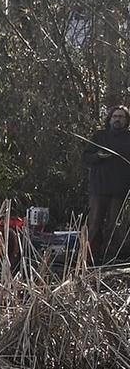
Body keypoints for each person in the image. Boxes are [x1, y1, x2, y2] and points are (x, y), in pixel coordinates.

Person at [84, 105, 130, 262]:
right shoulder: (99, 136)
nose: (118, 119)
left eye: (121, 117)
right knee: (95, 223)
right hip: (99, 188)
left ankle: (111, 258)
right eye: (115, 116)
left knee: (114, 225)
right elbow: (86, 158)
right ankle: (90, 258)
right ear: (110, 119)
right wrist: (98, 155)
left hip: (120, 190)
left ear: (126, 120)